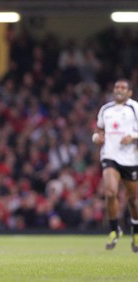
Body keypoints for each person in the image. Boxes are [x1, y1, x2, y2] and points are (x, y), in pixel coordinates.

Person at [92, 78, 138, 252]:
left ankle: (135, 230)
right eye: (117, 87)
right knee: (110, 192)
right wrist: (97, 138)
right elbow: (98, 131)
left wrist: (132, 137)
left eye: (123, 87)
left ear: (130, 92)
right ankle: (114, 229)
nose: (119, 89)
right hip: (110, 155)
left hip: (130, 158)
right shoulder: (106, 109)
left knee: (133, 200)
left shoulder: (135, 108)